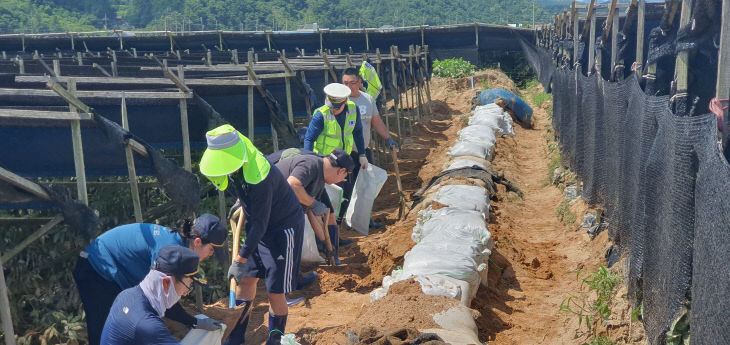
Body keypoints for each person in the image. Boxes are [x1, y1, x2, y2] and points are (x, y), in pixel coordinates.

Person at [199, 124, 304, 345]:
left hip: (282, 229)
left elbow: (261, 223)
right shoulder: (237, 159)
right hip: (260, 225)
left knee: (275, 291)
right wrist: (240, 200)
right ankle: (235, 337)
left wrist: (240, 258)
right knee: (245, 280)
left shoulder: (260, 174)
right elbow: (244, 190)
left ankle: (276, 338)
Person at [73, 214, 227, 345]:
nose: (211, 255)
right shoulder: (168, 251)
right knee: (100, 329)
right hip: (96, 269)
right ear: (198, 242)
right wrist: (194, 322)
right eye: (212, 249)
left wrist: (191, 321)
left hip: (115, 276)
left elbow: (162, 296)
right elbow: (162, 293)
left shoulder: (176, 247)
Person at [100, 245, 215, 344]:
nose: (185, 293)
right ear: (166, 282)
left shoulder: (126, 295)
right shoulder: (148, 325)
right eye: (188, 285)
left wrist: (195, 322)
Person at [303, 82, 367, 229]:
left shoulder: (353, 109)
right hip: (325, 164)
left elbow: (357, 132)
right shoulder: (321, 115)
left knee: (345, 194)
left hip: (345, 160)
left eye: (337, 108)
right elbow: (309, 139)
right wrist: (309, 160)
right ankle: (325, 230)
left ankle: (336, 227)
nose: (334, 110)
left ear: (345, 102)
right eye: (332, 107)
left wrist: (362, 154)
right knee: (327, 197)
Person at [276, 148, 355, 266]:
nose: (340, 181)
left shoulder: (320, 179)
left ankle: (294, 276)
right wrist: (313, 203)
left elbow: (312, 213)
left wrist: (325, 242)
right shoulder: (311, 164)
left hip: (280, 209)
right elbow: (292, 185)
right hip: (269, 206)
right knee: (287, 244)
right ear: (341, 171)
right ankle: (291, 278)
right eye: (343, 178)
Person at [342, 67, 400, 229]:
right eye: (345, 83)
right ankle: (343, 221)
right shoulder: (340, 100)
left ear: (360, 82)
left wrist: (388, 138)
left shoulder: (367, 100)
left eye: (352, 83)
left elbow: (376, 122)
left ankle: (363, 219)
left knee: (366, 186)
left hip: (364, 152)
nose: (348, 86)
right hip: (344, 153)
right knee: (346, 188)